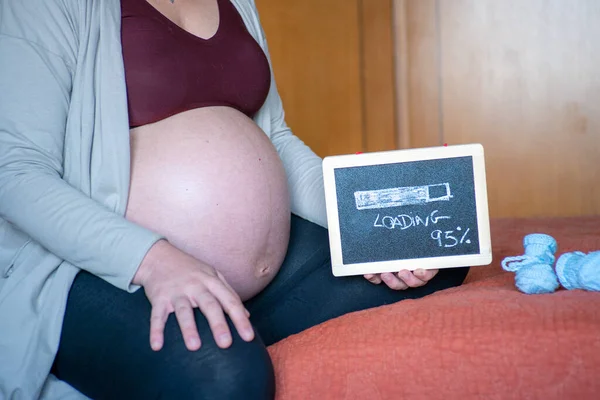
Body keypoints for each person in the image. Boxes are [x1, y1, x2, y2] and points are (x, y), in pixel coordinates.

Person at [0, 0, 469, 398]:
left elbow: (276, 137)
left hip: (255, 271)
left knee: (434, 246)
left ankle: (228, 316)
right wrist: (154, 261)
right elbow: (14, 171)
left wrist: (358, 220)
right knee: (226, 380)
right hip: (111, 270)